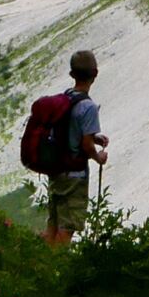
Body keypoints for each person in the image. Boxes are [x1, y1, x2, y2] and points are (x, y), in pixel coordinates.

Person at [45, 50, 108, 245]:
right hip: (74, 176)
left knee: (53, 222)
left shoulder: (65, 98)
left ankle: (41, 263)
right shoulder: (88, 106)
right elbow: (86, 145)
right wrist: (98, 157)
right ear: (95, 74)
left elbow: (70, 131)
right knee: (68, 226)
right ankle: (57, 269)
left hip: (57, 169)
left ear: (72, 75)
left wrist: (94, 138)